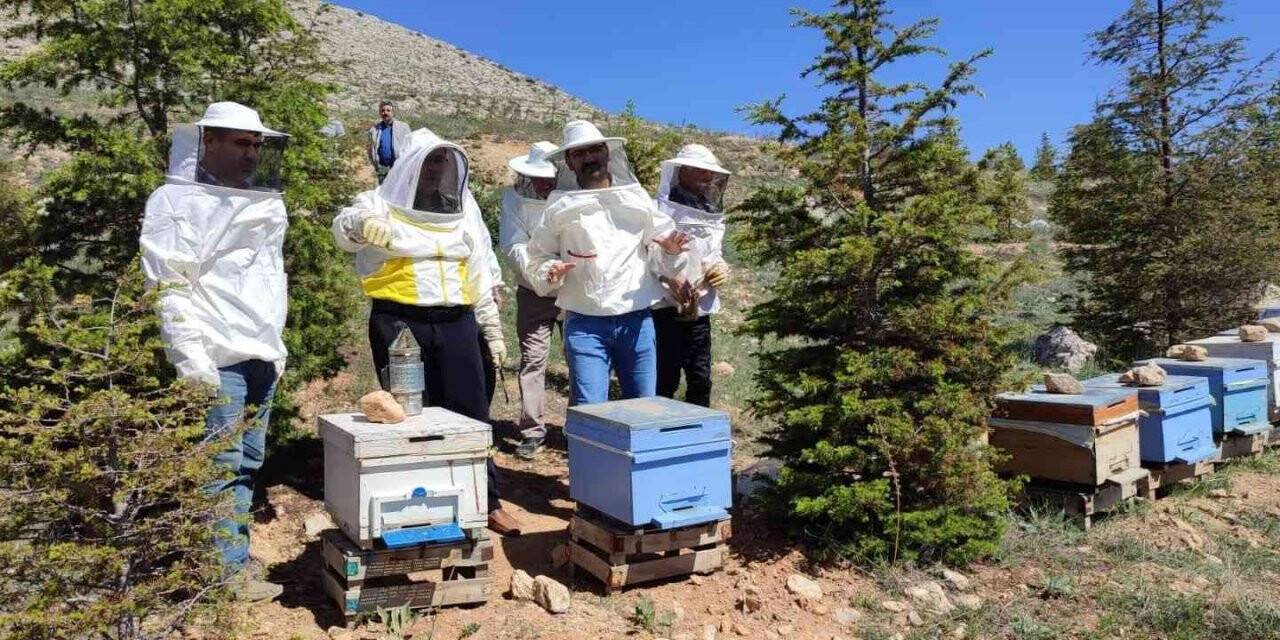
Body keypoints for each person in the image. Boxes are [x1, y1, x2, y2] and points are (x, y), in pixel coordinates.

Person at [332, 129, 522, 536]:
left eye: (444, 162)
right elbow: (343, 229)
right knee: (410, 414)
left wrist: (492, 330)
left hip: (457, 320)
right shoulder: (379, 202)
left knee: (472, 412)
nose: (437, 170)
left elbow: (480, 270)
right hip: (400, 322)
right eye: (430, 162)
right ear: (412, 166)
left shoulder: (463, 209)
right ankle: (420, 505)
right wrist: (362, 224)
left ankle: (485, 500)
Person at [139, 101, 290, 601]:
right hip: (216, 357)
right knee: (219, 467)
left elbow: (269, 279)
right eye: (240, 143)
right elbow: (170, 285)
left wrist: (276, 345)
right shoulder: (175, 202)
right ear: (208, 142)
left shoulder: (265, 201)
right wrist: (191, 358)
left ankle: (232, 556)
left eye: (256, 145)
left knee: (247, 462)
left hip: (260, 353)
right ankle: (219, 576)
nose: (251, 154)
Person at [524, 120, 690, 406]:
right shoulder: (559, 206)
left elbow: (662, 261)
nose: (589, 158)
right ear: (569, 162)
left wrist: (673, 253)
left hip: (636, 320)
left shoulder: (636, 198)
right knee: (591, 409)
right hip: (585, 323)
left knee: (642, 407)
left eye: (594, 150)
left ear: (606, 152)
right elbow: (539, 255)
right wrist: (550, 271)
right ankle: (587, 452)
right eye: (580, 154)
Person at [652, 144, 732, 407]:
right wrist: (669, 279)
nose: (708, 178)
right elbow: (648, 255)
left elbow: (714, 252)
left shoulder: (709, 210)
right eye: (702, 171)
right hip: (664, 308)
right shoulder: (657, 209)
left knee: (700, 378)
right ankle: (659, 435)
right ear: (682, 171)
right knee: (665, 378)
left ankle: (696, 436)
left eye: (711, 173)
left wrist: (720, 269)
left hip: (699, 308)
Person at [497, 141, 560, 458]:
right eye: (538, 178)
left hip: (573, 289)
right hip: (532, 289)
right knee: (533, 359)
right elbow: (512, 243)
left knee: (582, 360)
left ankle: (581, 430)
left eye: (548, 178)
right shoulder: (513, 198)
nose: (543, 184)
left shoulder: (570, 195)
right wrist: (538, 274)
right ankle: (532, 431)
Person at [368, 100, 411, 184]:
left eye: (388, 110)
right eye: (383, 110)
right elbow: (370, 149)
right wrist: (375, 163)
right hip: (382, 168)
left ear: (393, 112)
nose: (385, 113)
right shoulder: (374, 129)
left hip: (399, 166)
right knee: (383, 191)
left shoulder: (403, 127)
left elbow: (410, 145)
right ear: (380, 113)